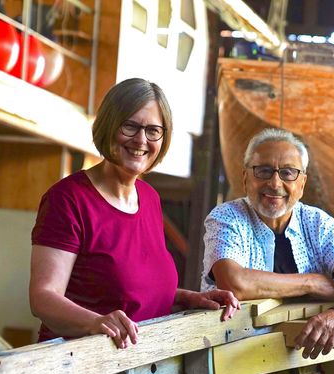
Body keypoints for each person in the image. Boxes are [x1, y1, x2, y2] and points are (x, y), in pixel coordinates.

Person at [29, 78, 239, 348]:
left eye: (153, 130)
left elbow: (130, 287)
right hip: (76, 371)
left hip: (136, 367)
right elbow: (43, 297)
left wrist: (185, 297)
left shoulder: (149, 198)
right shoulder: (67, 199)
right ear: (108, 126)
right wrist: (95, 322)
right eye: (130, 126)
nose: (141, 140)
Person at [202, 128, 334, 359]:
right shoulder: (226, 216)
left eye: (288, 173)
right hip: (230, 354)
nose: (275, 183)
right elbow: (235, 283)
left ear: (302, 184)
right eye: (263, 171)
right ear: (245, 178)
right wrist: (312, 282)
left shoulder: (318, 223)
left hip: (300, 355)